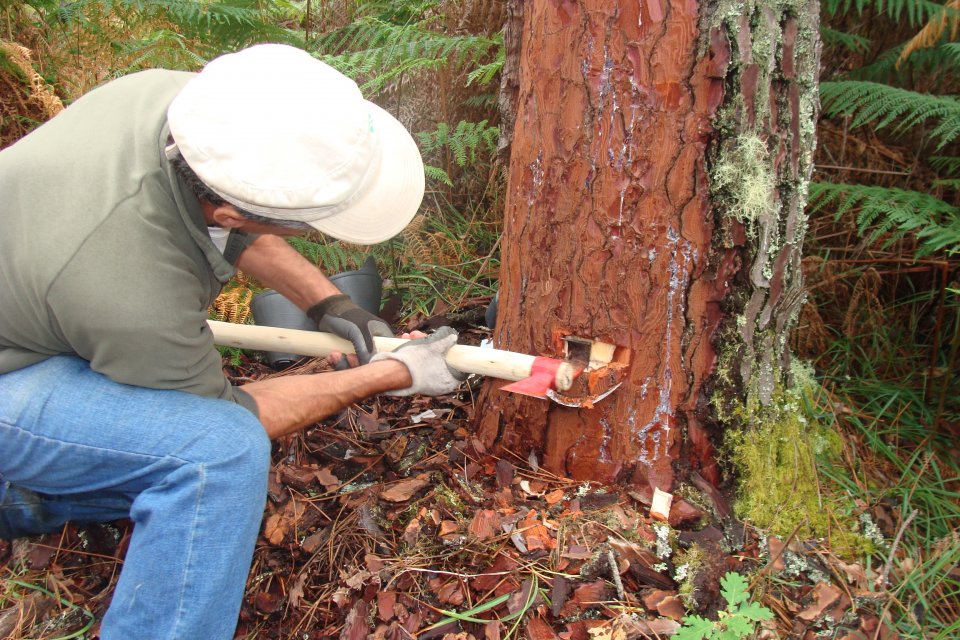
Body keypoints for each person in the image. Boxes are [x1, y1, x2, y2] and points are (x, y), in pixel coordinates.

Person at [0, 43, 464, 639]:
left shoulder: (181, 107)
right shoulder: (130, 291)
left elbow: (225, 216)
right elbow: (234, 419)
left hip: (36, 306)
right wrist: (393, 373)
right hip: (16, 376)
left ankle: (24, 497)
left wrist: (332, 304)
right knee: (216, 457)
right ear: (235, 215)